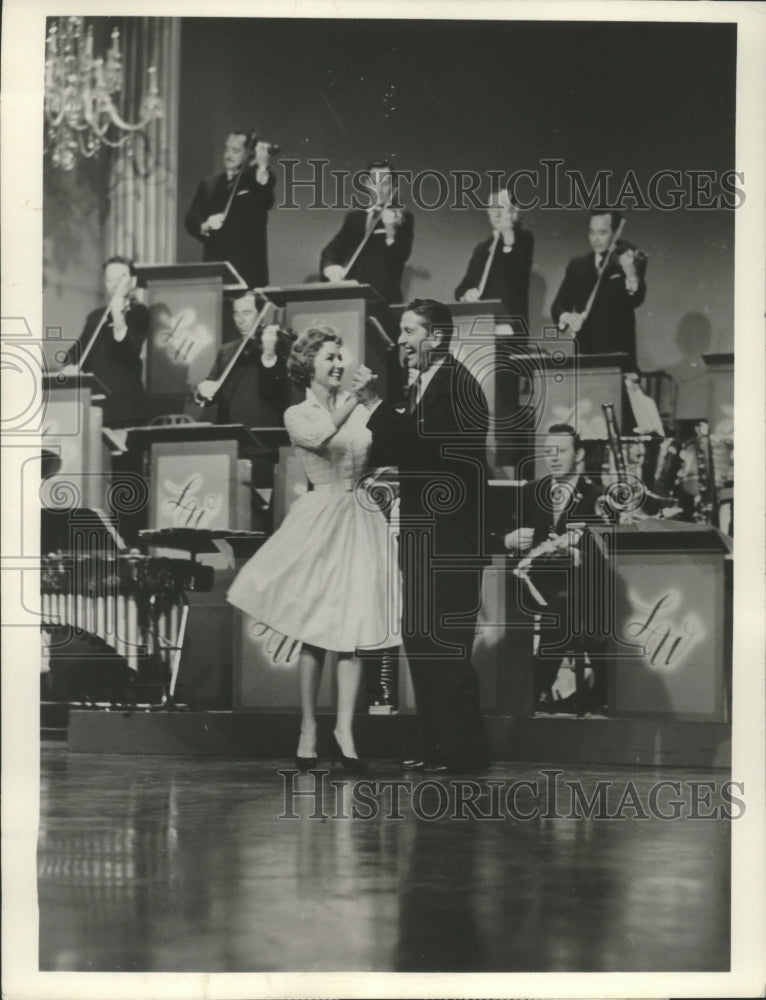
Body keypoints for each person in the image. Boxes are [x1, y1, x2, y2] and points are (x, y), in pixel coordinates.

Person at [227, 328, 399, 772]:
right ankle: (308, 727)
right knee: (316, 631)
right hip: (321, 519)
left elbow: (379, 448)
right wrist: (357, 403)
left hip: (360, 517)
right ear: (308, 365)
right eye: (329, 357)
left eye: (340, 356)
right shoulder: (296, 413)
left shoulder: (358, 410)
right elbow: (323, 436)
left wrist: (374, 409)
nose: (338, 364)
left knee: (356, 632)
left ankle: (345, 733)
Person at [352, 299, 490, 773]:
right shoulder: (421, 386)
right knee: (419, 637)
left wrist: (374, 404)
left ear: (436, 337)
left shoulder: (458, 386)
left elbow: (425, 454)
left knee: (443, 645)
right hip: (424, 535)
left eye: (410, 331)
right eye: (401, 331)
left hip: (450, 538)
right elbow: (400, 448)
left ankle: (462, 752)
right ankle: (435, 747)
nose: (401, 340)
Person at [503, 424, 608, 715]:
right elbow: (514, 535)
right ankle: (531, 690)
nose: (554, 458)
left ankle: (535, 690)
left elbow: (603, 550)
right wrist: (515, 541)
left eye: (561, 451)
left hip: (580, 584)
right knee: (558, 608)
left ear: (580, 454)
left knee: (565, 607)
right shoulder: (530, 492)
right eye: (548, 452)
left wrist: (574, 553)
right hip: (534, 580)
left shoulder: (596, 496)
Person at [550, 209, 647, 370]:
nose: (595, 239)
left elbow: (637, 299)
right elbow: (557, 307)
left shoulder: (626, 263)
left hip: (619, 358)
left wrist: (631, 273)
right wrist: (568, 317)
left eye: (602, 233)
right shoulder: (577, 265)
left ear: (615, 233)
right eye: (591, 233)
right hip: (586, 355)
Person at [62, 256, 149, 428]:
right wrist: (70, 365)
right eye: (110, 280)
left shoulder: (139, 313)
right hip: (94, 408)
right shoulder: (96, 316)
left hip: (124, 409)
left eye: (120, 279)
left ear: (132, 281)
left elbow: (127, 351)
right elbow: (77, 351)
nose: (115, 285)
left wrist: (117, 314)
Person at [185, 131, 276, 288]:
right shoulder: (209, 184)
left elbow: (265, 195)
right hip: (215, 272)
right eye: (227, 149)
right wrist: (204, 225)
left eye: (235, 151)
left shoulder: (256, 180)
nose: (228, 155)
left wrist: (262, 166)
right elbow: (192, 216)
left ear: (250, 155)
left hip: (248, 274)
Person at [320, 160, 414, 304]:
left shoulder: (403, 218)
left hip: (385, 300)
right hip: (353, 299)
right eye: (375, 182)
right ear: (367, 184)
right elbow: (330, 252)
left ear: (394, 185)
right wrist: (331, 267)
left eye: (386, 183)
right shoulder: (355, 218)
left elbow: (399, 256)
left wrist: (390, 231)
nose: (380, 189)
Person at [194, 291, 291, 427]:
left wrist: (269, 354)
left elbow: (272, 391)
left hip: (263, 436)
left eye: (247, 313)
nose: (240, 320)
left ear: (261, 315)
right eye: (236, 314)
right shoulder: (226, 350)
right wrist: (202, 391)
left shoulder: (279, 347)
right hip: (229, 435)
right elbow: (210, 394)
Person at [454, 187, 534, 333]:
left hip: (509, 327)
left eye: (501, 208)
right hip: (481, 326)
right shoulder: (482, 249)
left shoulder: (523, 240)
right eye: (492, 208)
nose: (496, 214)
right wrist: (466, 294)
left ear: (514, 211)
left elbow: (515, 273)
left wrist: (508, 233)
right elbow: (460, 288)